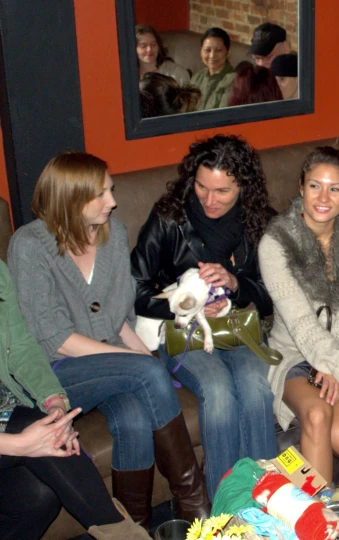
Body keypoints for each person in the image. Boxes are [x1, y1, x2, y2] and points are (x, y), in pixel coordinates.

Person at [8, 151, 210, 528]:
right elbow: (56, 340)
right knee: (146, 373)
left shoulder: (112, 234)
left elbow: (117, 318)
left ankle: (135, 527)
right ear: (69, 199)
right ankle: (194, 503)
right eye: (100, 194)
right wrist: (140, 366)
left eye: (111, 190)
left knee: (134, 417)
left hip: (110, 362)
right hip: (53, 372)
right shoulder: (30, 245)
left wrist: (146, 358)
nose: (112, 202)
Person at [131, 135, 278, 500]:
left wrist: (235, 285)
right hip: (184, 334)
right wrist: (184, 304)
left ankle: (267, 498)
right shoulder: (170, 218)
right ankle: (225, 509)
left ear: (243, 187)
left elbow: (272, 295)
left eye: (222, 191)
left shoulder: (261, 222)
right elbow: (134, 289)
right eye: (201, 186)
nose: (209, 200)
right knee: (218, 392)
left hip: (237, 328)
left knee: (257, 390)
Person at [259, 146, 339, 485]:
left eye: (335, 188)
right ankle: (323, 519)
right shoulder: (276, 243)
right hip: (295, 352)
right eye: (315, 185)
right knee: (316, 414)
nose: (323, 197)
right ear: (301, 187)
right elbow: (301, 324)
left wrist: (338, 367)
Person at [0, 259, 151, 539]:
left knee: (38, 498)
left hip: (5, 412)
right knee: (31, 429)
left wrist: (54, 402)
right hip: (8, 433)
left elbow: (20, 345)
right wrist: (20, 444)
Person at [190, 27, 236, 110]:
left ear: (228, 52)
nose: (212, 55)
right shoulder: (197, 77)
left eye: (218, 50)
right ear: (201, 51)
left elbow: (223, 116)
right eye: (207, 50)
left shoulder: (233, 81)